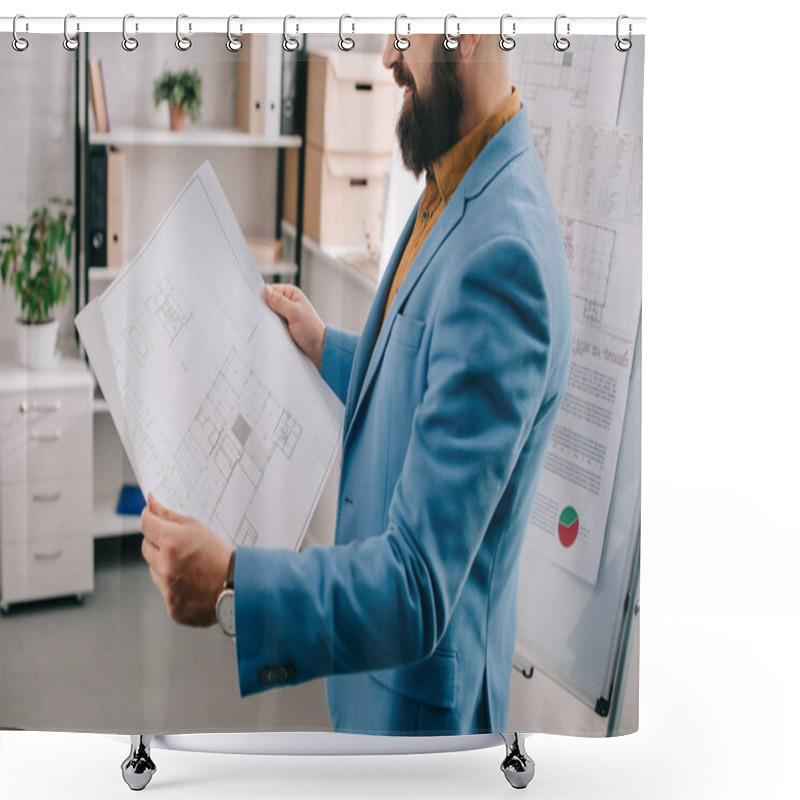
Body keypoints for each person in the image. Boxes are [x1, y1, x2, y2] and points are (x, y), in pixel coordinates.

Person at [141, 32, 571, 736]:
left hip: (419, 722)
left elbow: (416, 587)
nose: (385, 58)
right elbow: (430, 367)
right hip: (375, 687)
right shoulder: (458, 179)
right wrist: (325, 348)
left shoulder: (505, 257)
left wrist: (233, 583)